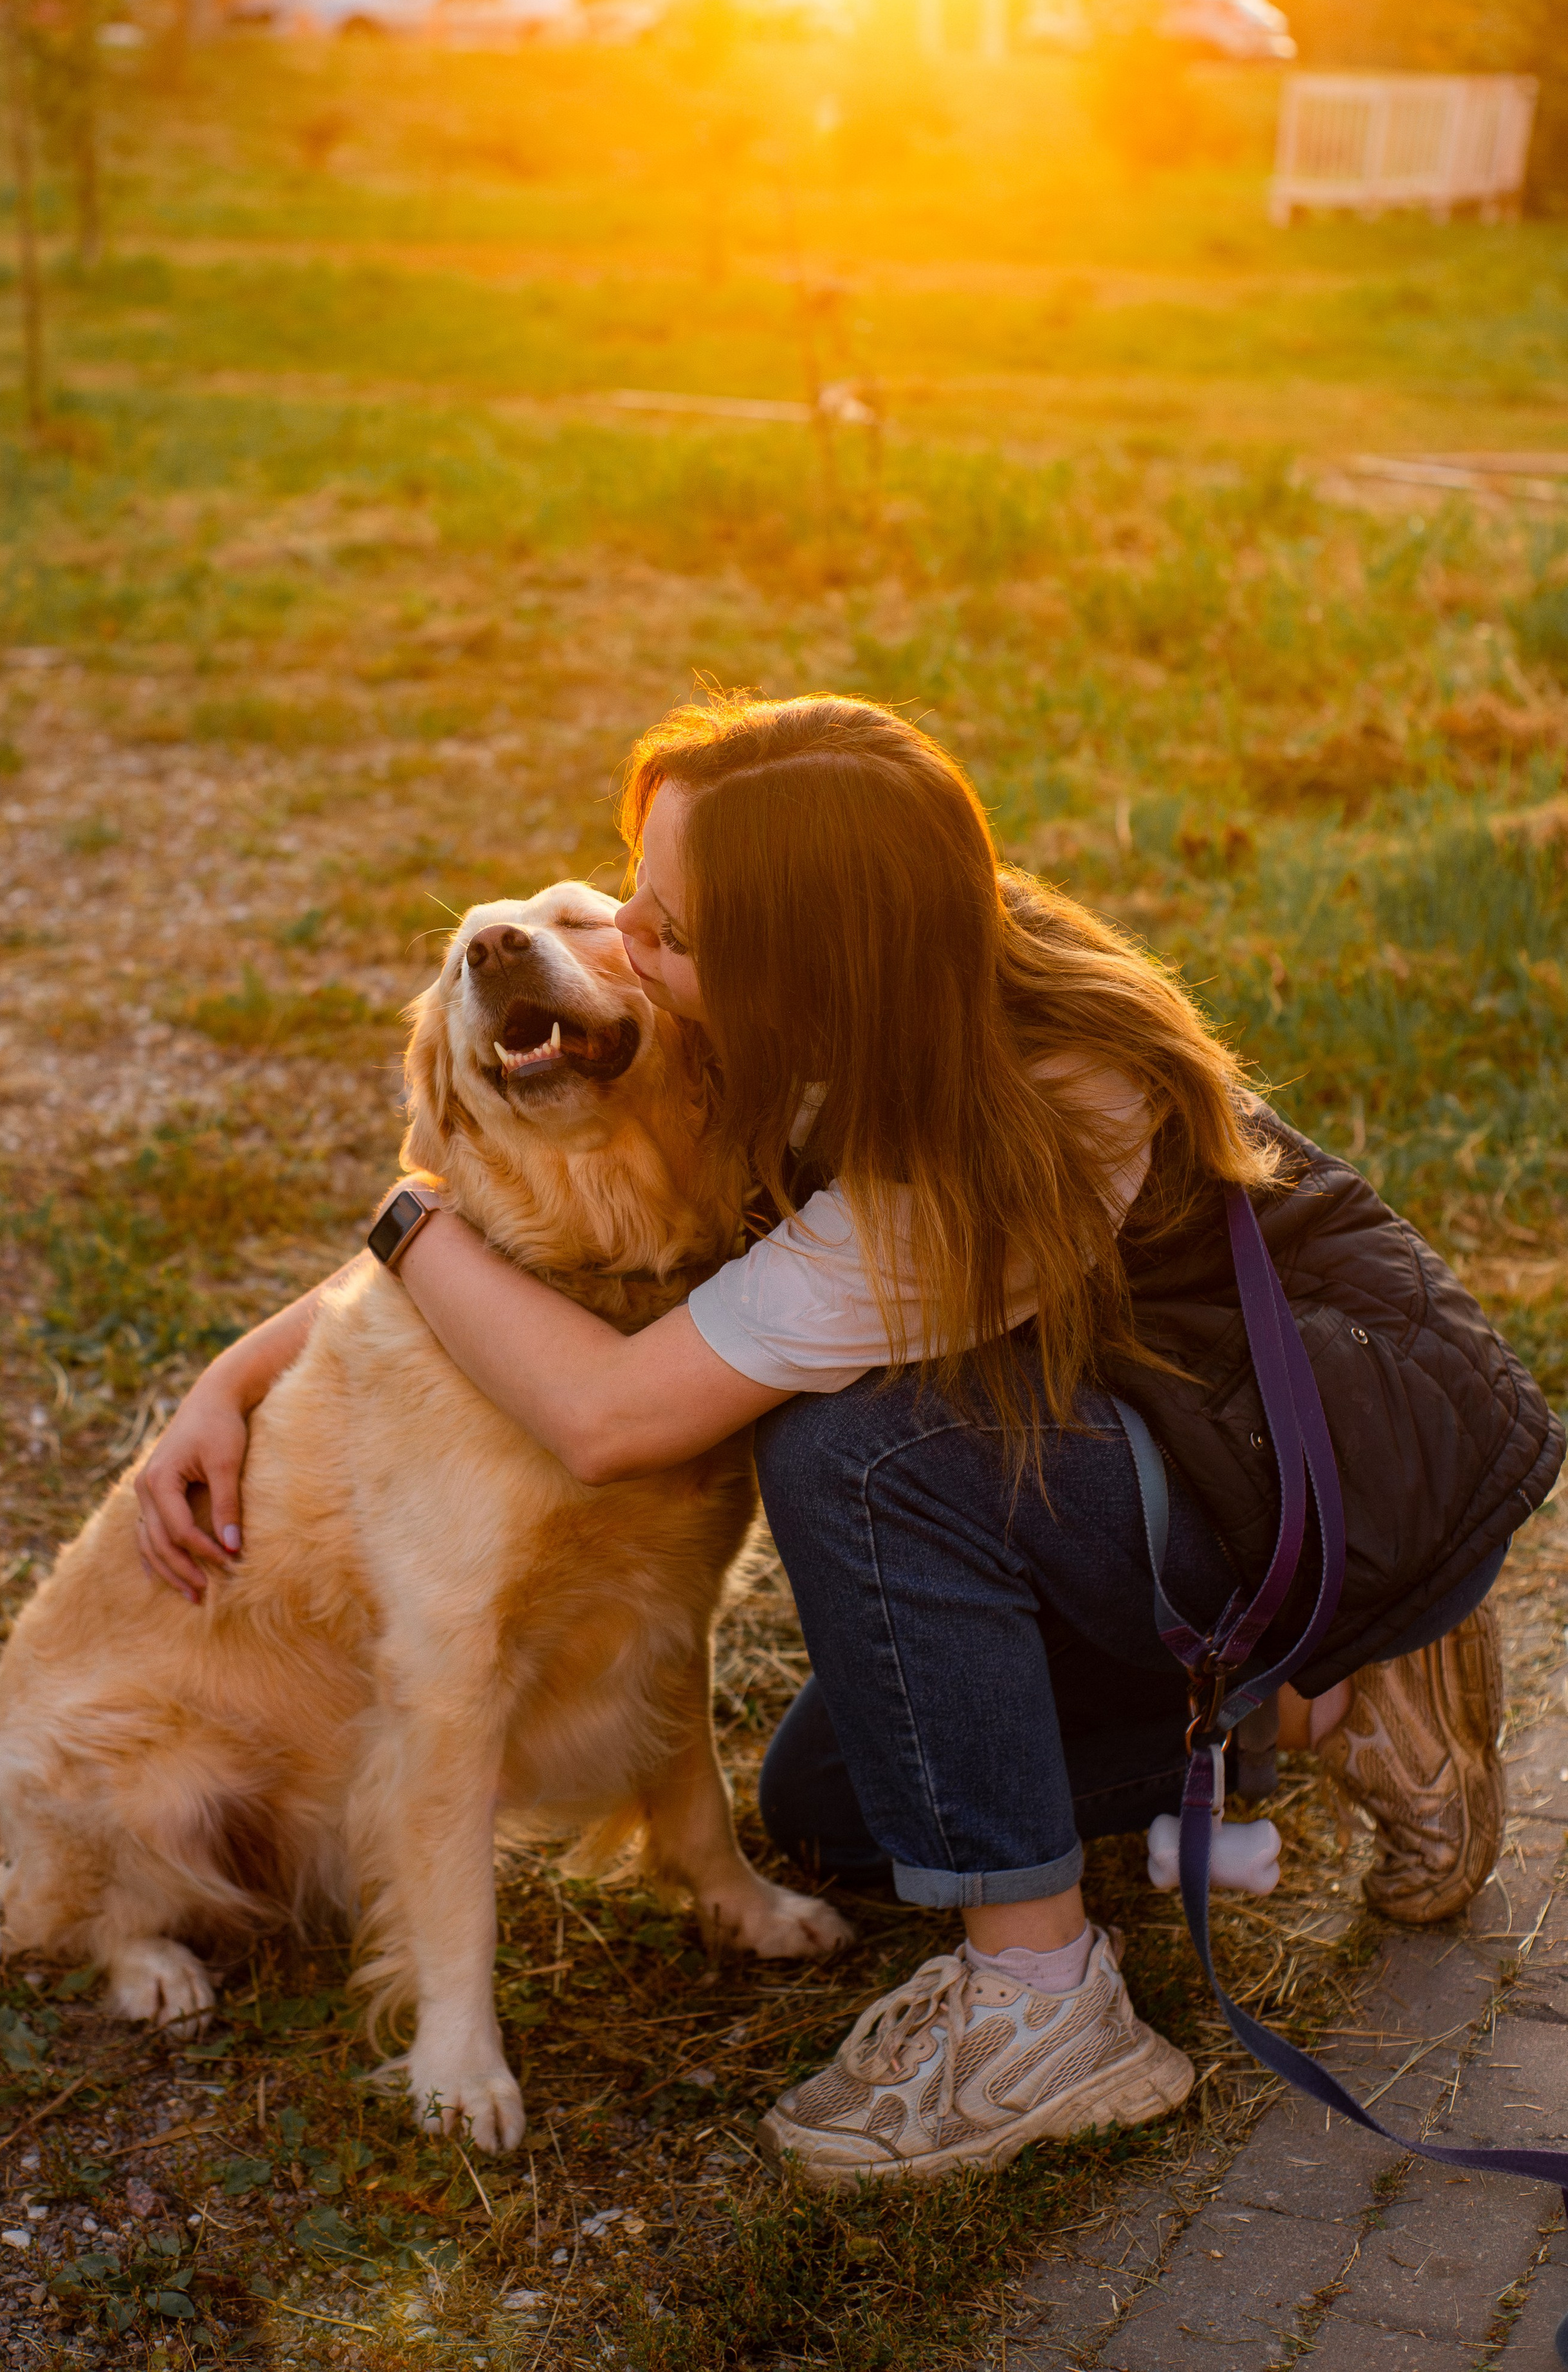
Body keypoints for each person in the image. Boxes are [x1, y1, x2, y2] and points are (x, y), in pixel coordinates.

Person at [136, 697, 1558, 2187]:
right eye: (635, 891)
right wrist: (230, 1382)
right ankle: (1311, 1714)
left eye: (667, 926)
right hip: (1135, 1432)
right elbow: (526, 1253)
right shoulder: (866, 968)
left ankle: (1044, 2008)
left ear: (796, 956)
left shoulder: (979, 1142)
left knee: (856, 1449)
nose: (627, 936)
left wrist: (401, 1208)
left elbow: (607, 1418)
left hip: (1303, 1474)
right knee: (833, 1814)